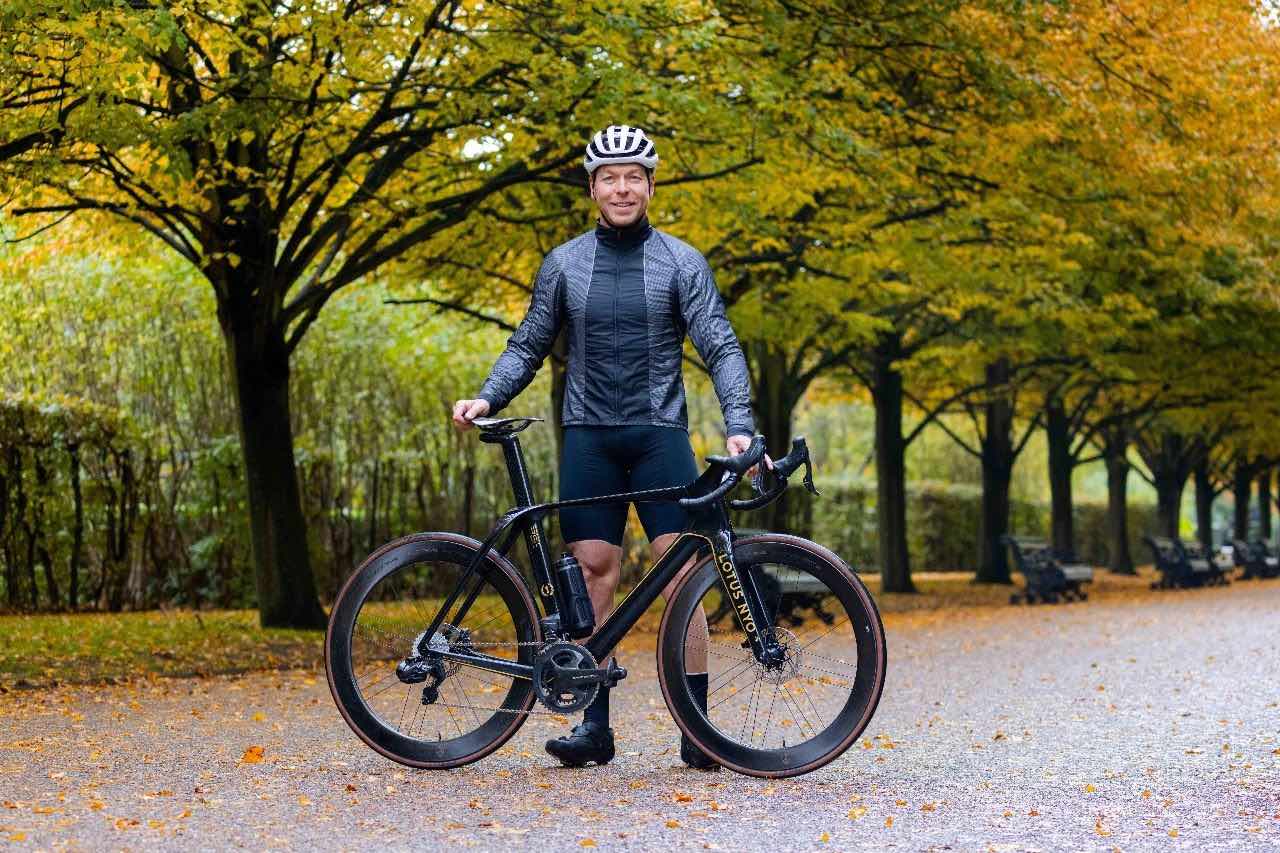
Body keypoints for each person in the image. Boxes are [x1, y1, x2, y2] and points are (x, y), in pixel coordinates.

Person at [453, 125, 759, 770]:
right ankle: (594, 728)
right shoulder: (564, 264)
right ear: (592, 189)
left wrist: (739, 420)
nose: (622, 189)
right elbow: (529, 342)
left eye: (634, 178)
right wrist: (488, 396)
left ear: (650, 187)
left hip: (659, 435)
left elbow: (720, 344)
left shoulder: (681, 262)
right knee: (593, 570)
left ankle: (697, 729)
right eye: (610, 178)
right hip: (588, 436)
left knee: (681, 572)